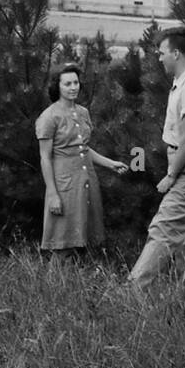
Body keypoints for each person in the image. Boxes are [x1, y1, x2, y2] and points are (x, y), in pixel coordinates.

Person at [128, 28, 185, 292]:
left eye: (162, 53)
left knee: (165, 226)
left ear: (176, 53)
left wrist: (171, 175)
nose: (159, 59)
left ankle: (133, 290)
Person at [36, 64, 128, 258]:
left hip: (85, 179)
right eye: (67, 83)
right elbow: (45, 157)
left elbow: (82, 148)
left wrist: (110, 164)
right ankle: (56, 282)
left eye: (76, 82)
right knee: (63, 236)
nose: (73, 87)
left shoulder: (83, 112)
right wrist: (52, 194)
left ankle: (81, 279)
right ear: (57, 86)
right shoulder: (49, 117)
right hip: (64, 182)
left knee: (85, 233)